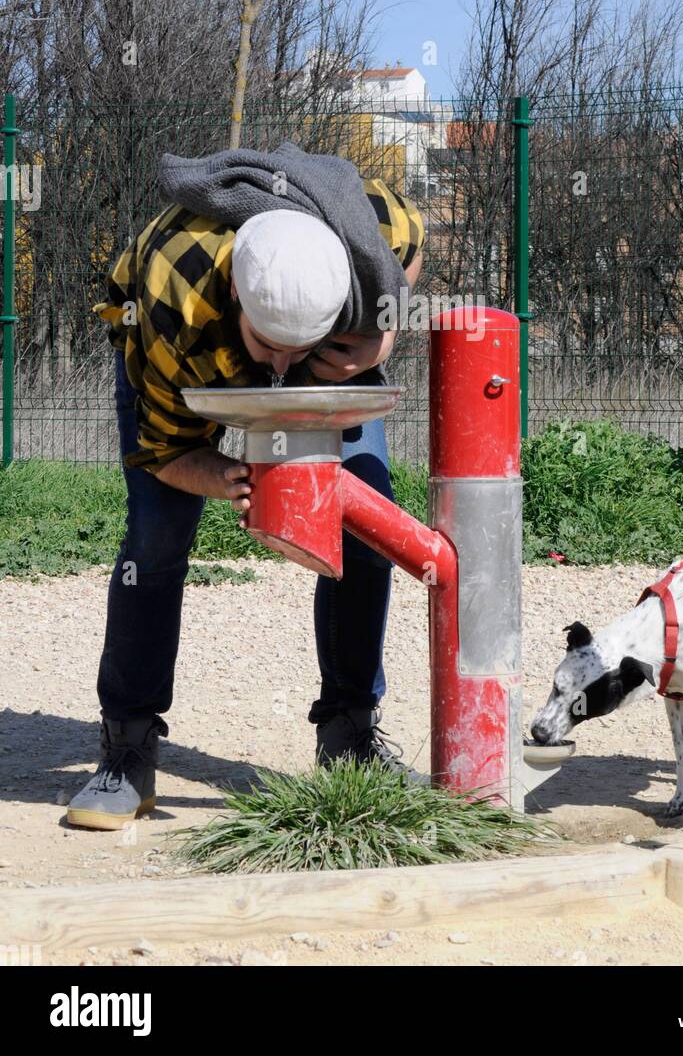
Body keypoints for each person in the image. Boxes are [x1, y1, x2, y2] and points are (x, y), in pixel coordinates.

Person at [65, 162, 424, 830]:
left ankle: (349, 734)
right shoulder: (172, 296)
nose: (282, 368)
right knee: (157, 536)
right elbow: (162, 452)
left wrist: (378, 335)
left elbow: (413, 248)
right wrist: (219, 475)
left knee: (368, 522)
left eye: (300, 346)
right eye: (269, 345)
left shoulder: (370, 224)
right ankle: (128, 750)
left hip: (330, 336)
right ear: (235, 291)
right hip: (187, 349)